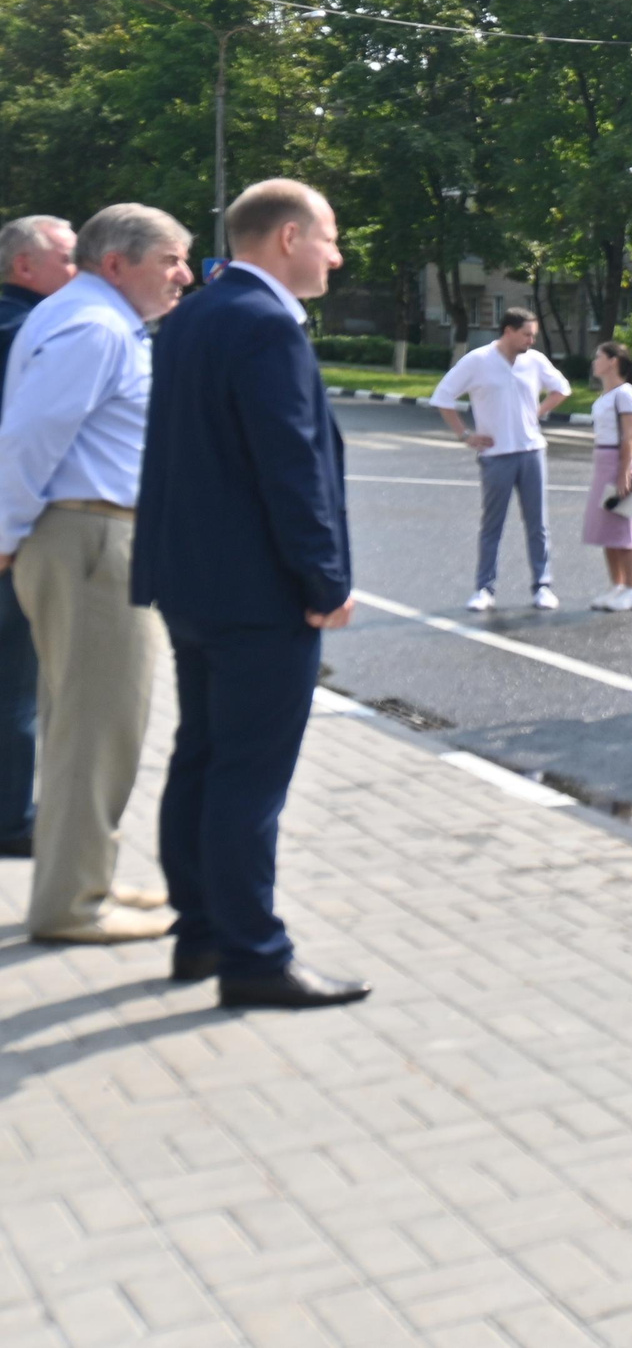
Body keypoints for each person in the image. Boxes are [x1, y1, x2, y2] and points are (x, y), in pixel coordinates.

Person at [133, 179, 367, 1007]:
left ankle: (199, 932)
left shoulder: (194, 313)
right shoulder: (266, 325)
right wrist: (325, 577)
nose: (338, 255)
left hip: (192, 582)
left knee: (200, 758)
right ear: (289, 236)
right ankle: (254, 957)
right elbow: (290, 464)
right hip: (260, 592)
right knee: (248, 777)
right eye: (330, 237)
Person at [0, 202, 189, 944]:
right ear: (117, 263)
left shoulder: (90, 316)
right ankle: (73, 905)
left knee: (84, 723)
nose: (183, 274)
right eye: (171, 260)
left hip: (90, 536)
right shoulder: (94, 325)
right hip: (91, 538)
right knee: (97, 729)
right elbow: (30, 435)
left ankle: (83, 878)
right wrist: (7, 532)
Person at [0, 213, 78, 858]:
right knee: (16, 686)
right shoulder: (30, 331)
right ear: (25, 267)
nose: (77, 271)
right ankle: (11, 820)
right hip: (13, 532)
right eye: (67, 258)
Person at [430, 306, 571, 612]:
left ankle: (542, 587)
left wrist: (537, 412)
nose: (531, 341)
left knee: (538, 524)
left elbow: (562, 389)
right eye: (526, 335)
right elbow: (443, 397)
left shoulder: (534, 361)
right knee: (492, 525)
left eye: (533, 335)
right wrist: (464, 435)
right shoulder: (478, 361)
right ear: (508, 331)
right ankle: (484, 589)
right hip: (495, 456)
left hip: (532, 451)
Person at [582, 340, 632, 611]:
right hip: (603, 461)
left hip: (617, 463)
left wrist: (623, 473)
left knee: (622, 528)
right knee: (606, 529)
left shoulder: (625, 394)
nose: (594, 361)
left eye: (598, 356)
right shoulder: (607, 395)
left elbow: (630, 435)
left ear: (612, 361)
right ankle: (617, 586)